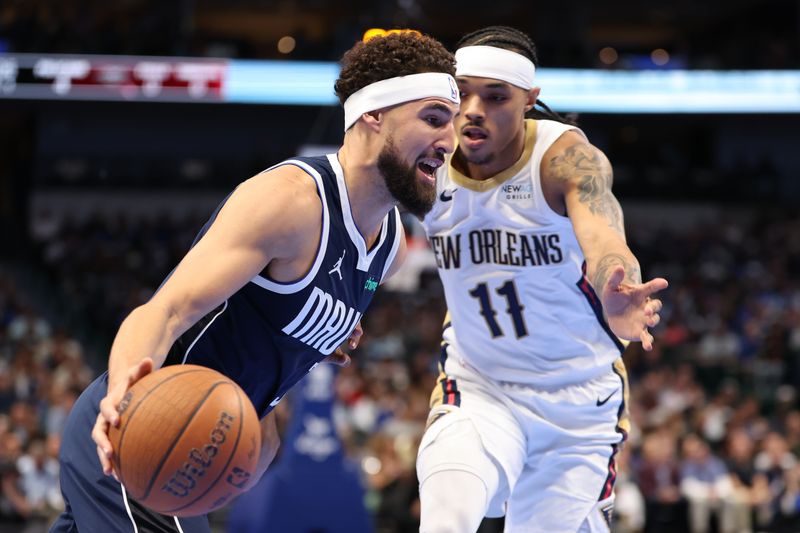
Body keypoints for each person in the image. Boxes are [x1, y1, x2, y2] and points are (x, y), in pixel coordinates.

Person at [50, 30, 460, 533]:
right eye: (434, 118)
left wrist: (323, 332)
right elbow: (165, 311)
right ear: (373, 114)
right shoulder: (290, 201)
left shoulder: (392, 248)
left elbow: (279, 317)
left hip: (197, 450)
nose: (450, 141)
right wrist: (123, 401)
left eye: (455, 125)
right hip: (147, 434)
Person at [416, 26, 669, 533]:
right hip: (478, 383)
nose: (472, 110)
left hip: (577, 402)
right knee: (447, 511)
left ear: (530, 100)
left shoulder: (566, 159)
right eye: (461, 93)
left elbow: (605, 238)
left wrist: (615, 289)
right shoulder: (426, 157)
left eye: (495, 97)